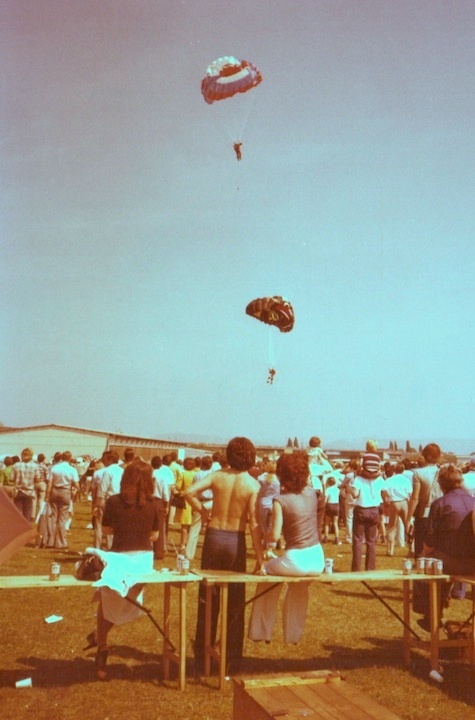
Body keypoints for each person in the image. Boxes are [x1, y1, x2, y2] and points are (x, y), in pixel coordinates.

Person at [185, 437, 264, 676]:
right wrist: (260, 558)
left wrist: (203, 512)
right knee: (235, 603)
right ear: (251, 458)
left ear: (229, 455)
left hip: (214, 538)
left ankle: (202, 659)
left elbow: (189, 492)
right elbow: (253, 524)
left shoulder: (217, 476)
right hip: (235, 541)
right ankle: (231, 661)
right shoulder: (252, 485)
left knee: (207, 599)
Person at [86, 460, 161, 680]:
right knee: (127, 601)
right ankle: (100, 640)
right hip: (142, 561)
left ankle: (101, 643)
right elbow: (155, 536)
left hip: (118, 557)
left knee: (108, 601)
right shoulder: (156, 504)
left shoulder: (114, 501)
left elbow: (108, 528)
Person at [248, 452, 324, 644]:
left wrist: (261, 531)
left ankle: (260, 632)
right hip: (317, 558)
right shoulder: (312, 493)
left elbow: (273, 537)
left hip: (296, 559)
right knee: (299, 589)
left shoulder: (280, 501)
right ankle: (293, 636)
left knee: (267, 575)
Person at [416, 464, 475, 630]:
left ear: (441, 484)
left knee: (424, 564)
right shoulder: (473, 502)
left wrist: (422, 555)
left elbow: (430, 540)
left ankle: (431, 614)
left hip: (450, 561)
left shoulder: (439, 504)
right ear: (460, 481)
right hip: (472, 562)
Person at [350, 453, 385, 571]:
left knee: (358, 540)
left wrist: (348, 488)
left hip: (361, 510)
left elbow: (355, 494)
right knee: (371, 541)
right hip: (374, 511)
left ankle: (356, 568)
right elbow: (385, 494)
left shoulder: (358, 479)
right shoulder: (380, 479)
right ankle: (370, 568)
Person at [45, 451, 79, 549]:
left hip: (54, 491)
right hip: (65, 491)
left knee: (53, 517)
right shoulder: (72, 469)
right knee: (62, 518)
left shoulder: (54, 468)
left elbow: (49, 484)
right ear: (70, 458)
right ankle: (60, 542)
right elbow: (76, 484)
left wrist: (47, 496)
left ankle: (50, 541)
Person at [185, 455, 213, 561]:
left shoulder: (197, 475)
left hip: (200, 502)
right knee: (211, 529)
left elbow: (193, 490)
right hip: (211, 501)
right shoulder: (213, 475)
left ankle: (189, 554)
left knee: (194, 529)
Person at [381, 462, 412, 556]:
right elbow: (410, 493)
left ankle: (390, 550)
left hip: (394, 503)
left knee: (392, 527)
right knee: (408, 526)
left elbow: (384, 491)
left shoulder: (389, 480)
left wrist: (387, 500)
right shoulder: (406, 480)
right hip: (404, 502)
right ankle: (411, 548)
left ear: (394, 470)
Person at [256, 461, 280, 559]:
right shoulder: (278, 479)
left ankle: (263, 548)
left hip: (262, 503)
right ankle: (269, 549)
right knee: (271, 526)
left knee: (263, 526)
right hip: (273, 503)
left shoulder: (260, 478)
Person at [13, 448, 40, 522]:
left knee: (17, 512)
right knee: (27, 513)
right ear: (31, 456)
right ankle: (26, 529)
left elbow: (12, 478)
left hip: (18, 491)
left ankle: (17, 528)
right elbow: (37, 480)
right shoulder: (35, 466)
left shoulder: (16, 465)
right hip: (29, 492)